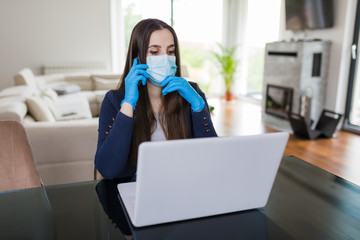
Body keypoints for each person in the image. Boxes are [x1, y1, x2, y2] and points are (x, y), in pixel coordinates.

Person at [95, 18, 217, 180]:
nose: (165, 58)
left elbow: (212, 158)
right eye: (154, 52)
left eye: (171, 51)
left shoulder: (192, 93)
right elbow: (107, 169)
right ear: (137, 56)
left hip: (183, 185)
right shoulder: (114, 100)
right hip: (135, 189)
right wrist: (128, 104)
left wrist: (199, 106)